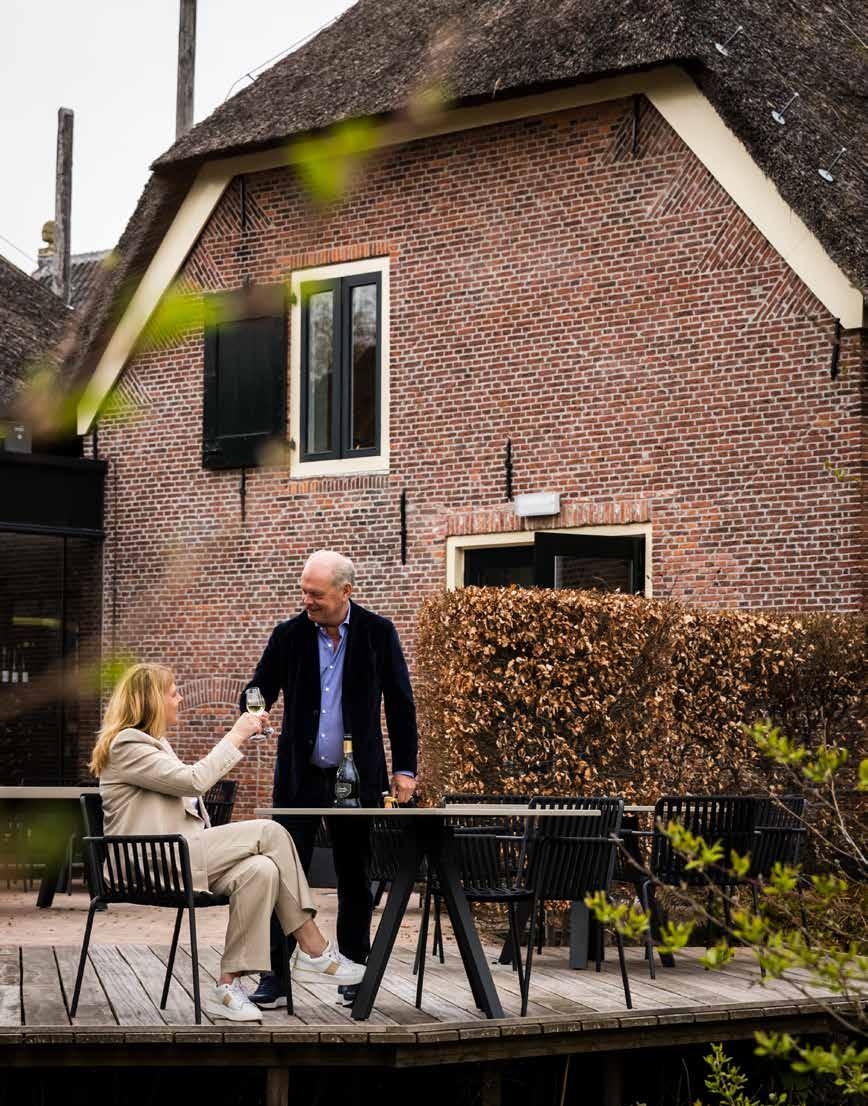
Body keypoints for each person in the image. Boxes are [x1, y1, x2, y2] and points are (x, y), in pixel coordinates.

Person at [89, 662, 365, 1023]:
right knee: (270, 832)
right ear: (152, 700)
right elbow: (193, 781)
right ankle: (314, 948)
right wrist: (238, 733)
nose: (180, 698)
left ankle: (227, 986)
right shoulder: (127, 744)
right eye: (173, 693)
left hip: (176, 854)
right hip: (154, 862)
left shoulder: (153, 745)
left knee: (261, 870)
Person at [242, 549, 418, 1009]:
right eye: (304, 591)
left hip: (356, 778)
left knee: (355, 876)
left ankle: (354, 972)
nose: (308, 601)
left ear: (345, 592)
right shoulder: (288, 635)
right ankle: (275, 976)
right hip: (299, 778)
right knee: (281, 875)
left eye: (316, 594)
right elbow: (259, 687)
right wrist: (254, 707)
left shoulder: (379, 633)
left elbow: (401, 704)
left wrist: (405, 769)